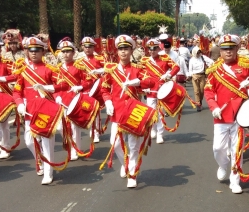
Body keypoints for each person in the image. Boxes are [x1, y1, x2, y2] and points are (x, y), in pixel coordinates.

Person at [204, 34, 249, 194]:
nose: (228, 52)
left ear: (237, 48)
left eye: (231, 48)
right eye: (224, 49)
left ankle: (235, 179)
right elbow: (208, 91)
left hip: (241, 113)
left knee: (236, 148)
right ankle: (223, 164)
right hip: (221, 114)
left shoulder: (247, 64)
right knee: (218, 148)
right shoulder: (215, 69)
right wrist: (213, 107)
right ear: (220, 50)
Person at [98, 35, 156, 188]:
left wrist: (138, 82)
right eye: (120, 49)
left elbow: (152, 81)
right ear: (117, 51)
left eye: (126, 49)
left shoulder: (137, 68)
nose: (123, 52)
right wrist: (108, 101)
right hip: (117, 111)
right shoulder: (110, 70)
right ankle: (126, 162)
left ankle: (132, 174)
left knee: (133, 145)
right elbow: (104, 88)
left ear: (131, 50)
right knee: (115, 143)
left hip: (133, 111)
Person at [13, 37, 61, 184]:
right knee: (28, 141)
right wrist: (20, 104)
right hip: (30, 110)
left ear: (43, 51)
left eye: (37, 51)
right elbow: (16, 91)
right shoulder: (23, 71)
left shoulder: (49, 69)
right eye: (30, 51)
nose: (33, 53)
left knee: (47, 142)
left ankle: (48, 171)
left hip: (46, 108)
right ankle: (40, 158)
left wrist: (49, 89)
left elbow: (62, 84)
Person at [53, 38, 93, 160]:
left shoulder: (79, 67)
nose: (65, 54)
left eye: (68, 51)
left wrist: (80, 86)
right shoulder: (57, 69)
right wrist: (56, 97)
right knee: (60, 127)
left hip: (75, 100)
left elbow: (89, 81)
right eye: (63, 51)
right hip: (61, 100)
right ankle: (71, 144)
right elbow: (54, 85)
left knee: (75, 127)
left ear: (73, 52)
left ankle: (75, 149)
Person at [140, 38, 180, 144]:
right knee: (151, 111)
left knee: (160, 112)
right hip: (150, 90)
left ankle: (160, 133)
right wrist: (143, 85)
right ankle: (152, 128)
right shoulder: (144, 61)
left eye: (154, 48)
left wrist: (169, 74)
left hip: (162, 89)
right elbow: (140, 74)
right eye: (150, 49)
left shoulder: (165, 58)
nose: (152, 51)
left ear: (159, 48)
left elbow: (176, 67)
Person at [75, 36, 106, 142]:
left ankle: (96, 132)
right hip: (84, 88)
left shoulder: (99, 58)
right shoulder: (79, 61)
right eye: (85, 46)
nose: (87, 48)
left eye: (89, 46)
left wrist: (99, 71)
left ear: (93, 47)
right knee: (87, 110)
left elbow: (107, 69)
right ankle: (90, 128)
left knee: (96, 111)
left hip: (96, 88)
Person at [188, 46, 213, 112]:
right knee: (196, 91)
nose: (198, 54)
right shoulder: (192, 60)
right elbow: (190, 70)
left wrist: (209, 67)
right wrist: (192, 76)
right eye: (197, 52)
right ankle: (198, 104)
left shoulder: (202, 57)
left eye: (199, 52)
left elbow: (211, 62)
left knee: (202, 91)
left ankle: (200, 101)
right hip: (195, 76)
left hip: (202, 75)